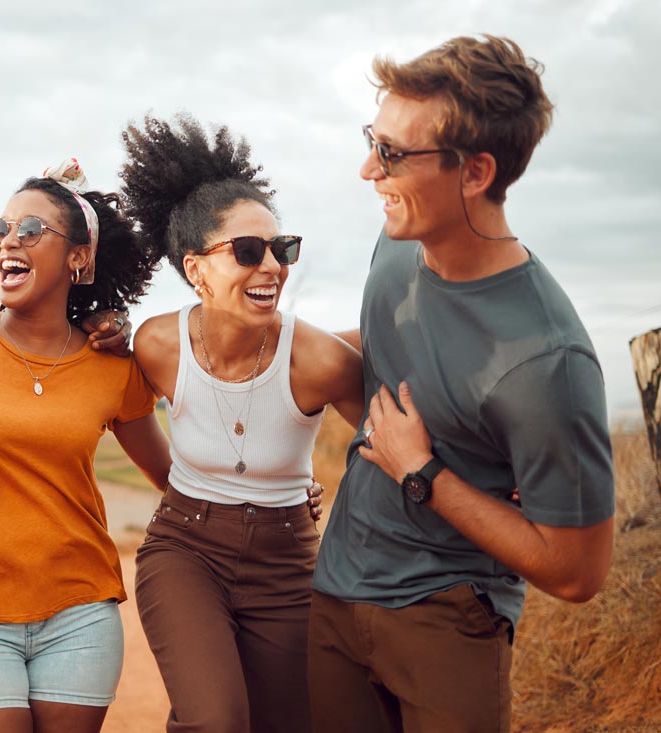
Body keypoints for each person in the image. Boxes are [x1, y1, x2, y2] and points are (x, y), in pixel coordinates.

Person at [308, 36, 615, 733]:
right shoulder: (395, 245)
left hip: (447, 618)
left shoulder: (547, 359)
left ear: (475, 172)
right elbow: (391, 369)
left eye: (391, 154)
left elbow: (577, 572)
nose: (367, 170)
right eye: (371, 140)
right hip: (333, 600)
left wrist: (424, 472)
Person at [0, 160, 171, 733]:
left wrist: (280, 491)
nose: (8, 241)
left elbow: (173, 476)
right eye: (0, 228)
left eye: (31, 230)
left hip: (81, 613)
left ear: (79, 257)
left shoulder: (113, 364)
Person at [118, 115, 365, 733]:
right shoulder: (156, 346)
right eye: (248, 252)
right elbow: (119, 416)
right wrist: (191, 494)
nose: (272, 268)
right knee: (216, 721)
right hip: (185, 550)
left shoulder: (321, 361)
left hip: (289, 563)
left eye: (283, 250)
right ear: (195, 268)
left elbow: (389, 442)